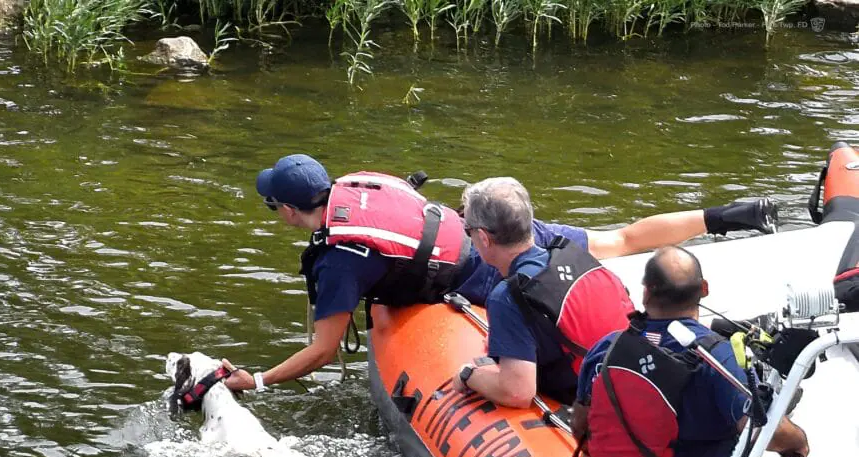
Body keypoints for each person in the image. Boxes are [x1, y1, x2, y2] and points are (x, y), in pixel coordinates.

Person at [223, 154, 778, 393]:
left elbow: (322, 349)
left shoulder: (340, 257)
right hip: (509, 231)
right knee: (624, 237)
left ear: (292, 211)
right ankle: (728, 215)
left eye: (276, 208)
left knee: (546, 308)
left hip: (479, 271)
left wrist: (260, 380)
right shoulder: (361, 184)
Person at [570, 247, 827, 457]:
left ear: (646, 292)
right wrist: (799, 441)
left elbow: (580, 425)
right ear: (704, 289)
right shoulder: (718, 360)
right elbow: (764, 430)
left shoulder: (608, 347)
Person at [452, 177, 638, 407]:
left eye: (467, 229)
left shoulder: (508, 296)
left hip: (601, 401)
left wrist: (468, 376)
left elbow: (518, 393)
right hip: (632, 375)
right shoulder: (572, 253)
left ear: (483, 238)